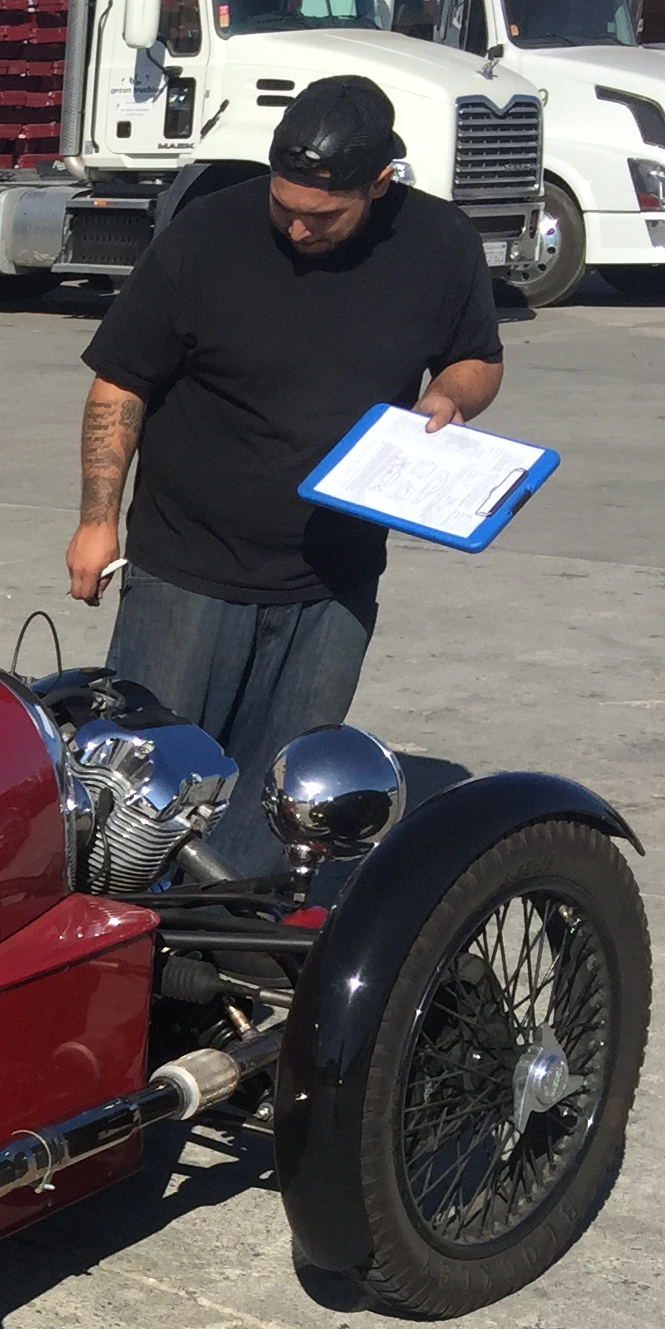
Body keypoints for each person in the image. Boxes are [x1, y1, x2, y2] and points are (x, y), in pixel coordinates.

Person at [64, 76, 504, 877]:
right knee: (144, 792)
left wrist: (449, 397)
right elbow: (120, 383)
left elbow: (477, 357)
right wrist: (98, 520)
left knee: (284, 799)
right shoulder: (207, 236)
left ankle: (234, 931)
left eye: (323, 216)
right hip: (188, 569)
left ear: (380, 183)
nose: (299, 228)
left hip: (334, 579)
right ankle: (134, 927)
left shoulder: (440, 243)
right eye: (285, 205)